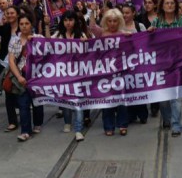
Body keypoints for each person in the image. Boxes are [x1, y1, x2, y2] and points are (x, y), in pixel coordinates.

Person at [148, 0, 182, 137]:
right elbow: (150, 44)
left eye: (172, 3)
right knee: (164, 97)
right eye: (167, 3)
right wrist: (150, 33)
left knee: (176, 96)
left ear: (176, 6)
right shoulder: (156, 22)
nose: (170, 5)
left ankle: (176, 125)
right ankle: (166, 119)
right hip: (161, 65)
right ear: (162, 6)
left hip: (178, 63)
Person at [90, 8, 130, 136]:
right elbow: (91, 26)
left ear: (119, 22)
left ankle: (122, 124)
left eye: (115, 21)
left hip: (120, 71)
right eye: (109, 21)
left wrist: (130, 38)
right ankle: (108, 126)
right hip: (105, 72)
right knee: (107, 100)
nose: (112, 23)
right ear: (105, 22)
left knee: (122, 99)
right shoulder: (101, 33)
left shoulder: (124, 34)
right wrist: (92, 11)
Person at [51, 10, 88, 141]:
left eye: (70, 20)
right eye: (66, 20)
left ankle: (78, 129)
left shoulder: (81, 34)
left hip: (78, 74)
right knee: (66, 100)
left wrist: (86, 43)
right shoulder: (58, 34)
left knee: (78, 102)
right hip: (63, 73)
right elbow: (46, 44)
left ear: (75, 21)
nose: (68, 23)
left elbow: (92, 50)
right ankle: (67, 122)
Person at [10, 13, 44, 142]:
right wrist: (18, 76)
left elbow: (48, 54)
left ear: (31, 25)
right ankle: (25, 131)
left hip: (36, 76)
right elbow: (12, 60)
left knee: (37, 102)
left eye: (27, 24)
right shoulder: (15, 41)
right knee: (23, 103)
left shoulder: (38, 38)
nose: (24, 27)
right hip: (22, 76)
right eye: (21, 24)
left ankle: (37, 123)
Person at [0, 5, 20, 131]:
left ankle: (25, 117)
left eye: (12, 13)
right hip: (5, 64)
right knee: (8, 91)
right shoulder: (4, 28)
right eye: (7, 13)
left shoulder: (23, 27)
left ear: (17, 14)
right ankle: (12, 121)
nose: (10, 15)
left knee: (22, 92)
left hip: (20, 64)